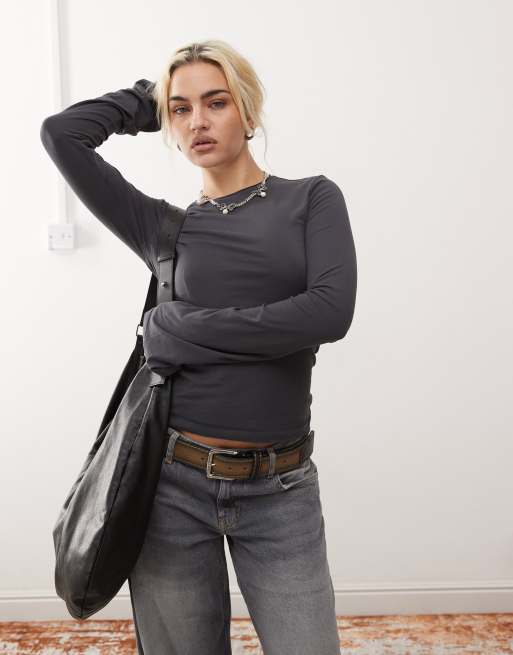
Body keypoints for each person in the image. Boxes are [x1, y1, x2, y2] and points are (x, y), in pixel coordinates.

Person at [40, 38, 357, 655]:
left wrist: (178, 329)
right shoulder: (165, 228)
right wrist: (147, 100)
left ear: (249, 111)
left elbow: (328, 312)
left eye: (217, 102)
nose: (197, 122)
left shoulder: (312, 199)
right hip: (172, 487)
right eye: (181, 110)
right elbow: (62, 134)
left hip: (282, 489)